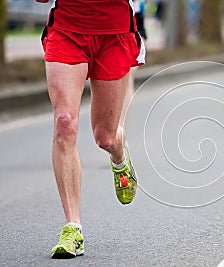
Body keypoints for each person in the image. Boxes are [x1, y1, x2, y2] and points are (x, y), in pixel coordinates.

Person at [35, 0, 146, 259]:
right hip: (67, 29)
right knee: (64, 122)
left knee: (105, 137)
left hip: (114, 31)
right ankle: (73, 228)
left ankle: (119, 156)